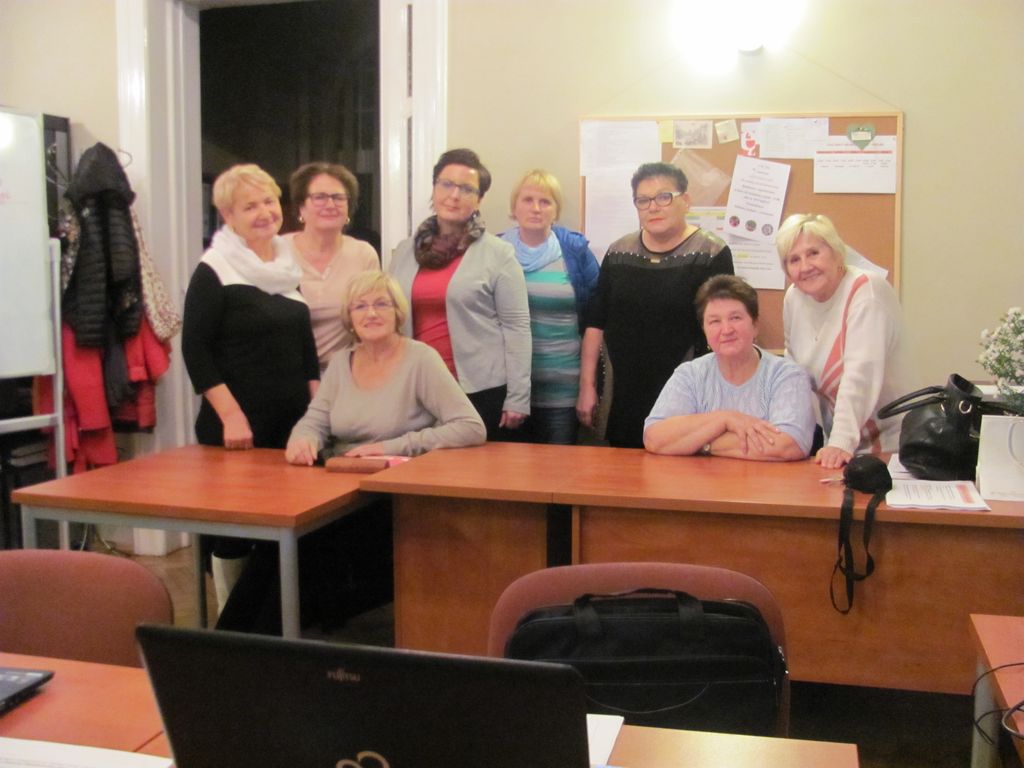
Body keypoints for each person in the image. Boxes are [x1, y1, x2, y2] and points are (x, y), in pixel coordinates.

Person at [181, 163, 319, 619]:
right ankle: (231, 624)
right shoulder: (214, 269)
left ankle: (269, 623)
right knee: (235, 533)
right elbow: (195, 349)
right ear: (228, 216)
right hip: (236, 429)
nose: (264, 212)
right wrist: (231, 416)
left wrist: (317, 413)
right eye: (250, 206)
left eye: (269, 201)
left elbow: (305, 348)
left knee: (283, 529)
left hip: (290, 425)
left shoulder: (284, 265)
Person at [578, 162, 734, 448]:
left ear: (685, 200)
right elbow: (596, 322)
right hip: (621, 390)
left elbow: (724, 328)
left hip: (685, 390)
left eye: (664, 197)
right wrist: (586, 386)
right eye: (643, 200)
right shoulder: (619, 252)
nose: (653, 207)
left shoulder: (711, 253)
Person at [389, 148, 531, 440]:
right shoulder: (404, 252)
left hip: (478, 389)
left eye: (467, 189)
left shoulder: (498, 254)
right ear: (434, 188)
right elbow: (390, 318)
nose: (454, 195)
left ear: (479, 199)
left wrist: (518, 396)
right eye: (446, 184)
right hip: (416, 387)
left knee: (473, 467)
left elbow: (517, 328)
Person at [286, 270, 487, 463]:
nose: (371, 313)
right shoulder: (340, 362)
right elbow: (313, 423)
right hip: (343, 469)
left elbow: (470, 427)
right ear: (350, 318)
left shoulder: (421, 359)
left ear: (397, 312)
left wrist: (388, 448)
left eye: (381, 304)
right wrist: (303, 440)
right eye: (360, 306)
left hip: (402, 475)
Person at [776, 213, 914, 469]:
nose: (805, 266)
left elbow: (860, 376)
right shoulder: (794, 298)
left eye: (813, 253)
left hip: (891, 447)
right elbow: (793, 372)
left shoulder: (867, 291)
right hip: (840, 446)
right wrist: (788, 432)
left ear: (837, 253)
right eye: (794, 259)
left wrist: (840, 441)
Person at [644, 275, 815, 460]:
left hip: (764, 479)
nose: (726, 330)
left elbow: (788, 445)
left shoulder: (787, 375)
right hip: (700, 478)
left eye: (735, 318)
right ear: (704, 330)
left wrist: (698, 443)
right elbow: (654, 438)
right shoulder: (690, 375)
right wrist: (725, 419)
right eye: (714, 321)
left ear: (755, 325)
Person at [499, 169, 599, 444]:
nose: (536, 208)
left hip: (563, 394)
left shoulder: (575, 252)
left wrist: (587, 387)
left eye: (545, 201)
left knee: (556, 468)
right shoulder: (494, 252)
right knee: (508, 469)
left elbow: (596, 319)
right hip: (507, 392)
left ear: (556, 211)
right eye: (528, 200)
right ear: (514, 207)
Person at [281, 162, 380, 371]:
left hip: (345, 374)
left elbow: (373, 322)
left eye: (338, 197)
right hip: (287, 373)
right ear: (301, 206)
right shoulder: (276, 252)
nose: (330, 204)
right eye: (319, 197)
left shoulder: (363, 254)